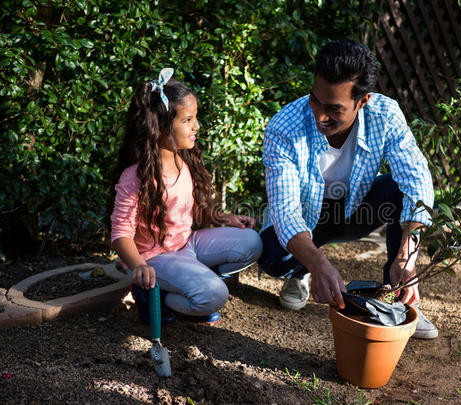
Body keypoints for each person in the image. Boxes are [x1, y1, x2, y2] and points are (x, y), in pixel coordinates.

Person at [258, 40, 437, 339]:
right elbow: (285, 212)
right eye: (315, 100)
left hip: (356, 209)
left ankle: (396, 298)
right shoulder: (283, 128)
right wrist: (317, 265)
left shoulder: (386, 115)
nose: (319, 116)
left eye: (334, 108)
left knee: (398, 189)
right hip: (306, 216)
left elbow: (417, 182)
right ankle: (300, 273)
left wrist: (406, 257)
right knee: (272, 258)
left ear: (363, 100)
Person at [110, 68, 262, 325]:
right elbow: (120, 234)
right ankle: (158, 297)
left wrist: (223, 218)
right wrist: (137, 266)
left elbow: (187, 210)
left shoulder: (184, 159)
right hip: (154, 257)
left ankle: (192, 284)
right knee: (214, 295)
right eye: (188, 120)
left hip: (187, 244)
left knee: (252, 242)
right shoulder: (135, 177)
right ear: (160, 127)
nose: (196, 126)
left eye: (195, 118)